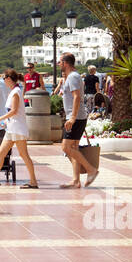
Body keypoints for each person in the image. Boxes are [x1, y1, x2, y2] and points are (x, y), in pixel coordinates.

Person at [0, 69, 39, 188]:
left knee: (24, 155)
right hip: (12, 129)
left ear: (8, 79)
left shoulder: (16, 92)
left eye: (4, 78)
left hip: (17, 129)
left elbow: (14, 111)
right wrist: (6, 122)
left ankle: (33, 181)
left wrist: (0, 118)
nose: (3, 81)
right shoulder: (14, 91)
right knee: (1, 153)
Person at [57, 52, 98, 187]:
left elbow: (77, 97)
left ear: (65, 63)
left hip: (75, 118)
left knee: (66, 147)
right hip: (77, 117)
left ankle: (91, 170)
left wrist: (72, 117)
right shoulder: (72, 76)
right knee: (73, 148)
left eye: (60, 62)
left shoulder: (73, 77)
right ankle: (76, 181)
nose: (58, 64)